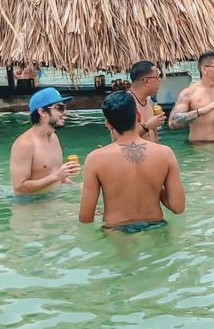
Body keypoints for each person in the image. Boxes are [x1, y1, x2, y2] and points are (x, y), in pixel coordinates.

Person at [79, 91, 185, 232]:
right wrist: (154, 184)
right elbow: (178, 208)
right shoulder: (165, 153)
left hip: (117, 232)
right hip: (156, 228)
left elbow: (85, 218)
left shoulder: (95, 159)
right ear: (138, 116)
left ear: (108, 124)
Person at [9, 88, 80, 196]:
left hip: (53, 198)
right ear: (42, 112)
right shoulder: (25, 145)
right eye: (59, 108)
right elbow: (19, 189)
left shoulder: (54, 137)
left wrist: (79, 186)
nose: (65, 112)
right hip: (31, 206)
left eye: (64, 107)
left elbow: (58, 178)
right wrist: (56, 176)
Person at [168, 51, 214, 142]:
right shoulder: (189, 93)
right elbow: (173, 123)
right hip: (200, 148)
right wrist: (201, 111)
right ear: (204, 69)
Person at [125, 61, 166, 143]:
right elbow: (123, 139)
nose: (160, 80)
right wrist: (148, 126)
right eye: (157, 77)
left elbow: (155, 134)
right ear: (146, 81)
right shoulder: (126, 103)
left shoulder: (149, 101)